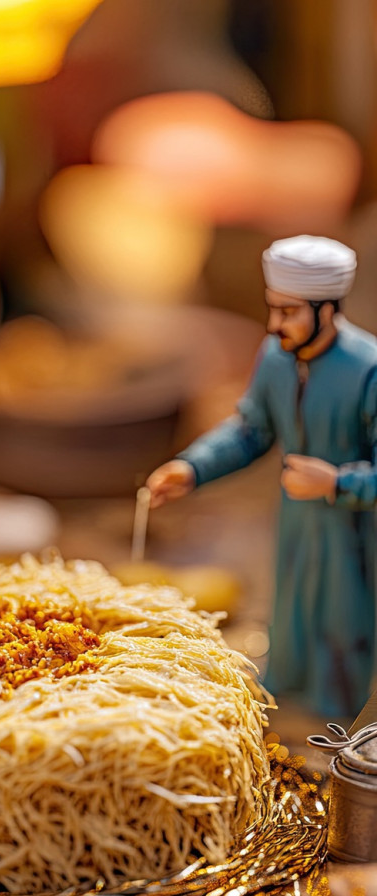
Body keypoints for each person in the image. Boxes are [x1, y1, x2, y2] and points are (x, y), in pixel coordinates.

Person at [147, 235, 377, 721]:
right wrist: (193, 466)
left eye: (289, 312)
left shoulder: (368, 369)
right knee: (290, 612)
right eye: (274, 310)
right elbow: (251, 428)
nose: (276, 325)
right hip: (295, 515)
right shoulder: (275, 358)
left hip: (354, 529)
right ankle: (280, 703)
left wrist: (337, 483)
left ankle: (339, 728)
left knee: (345, 620)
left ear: (328, 309)